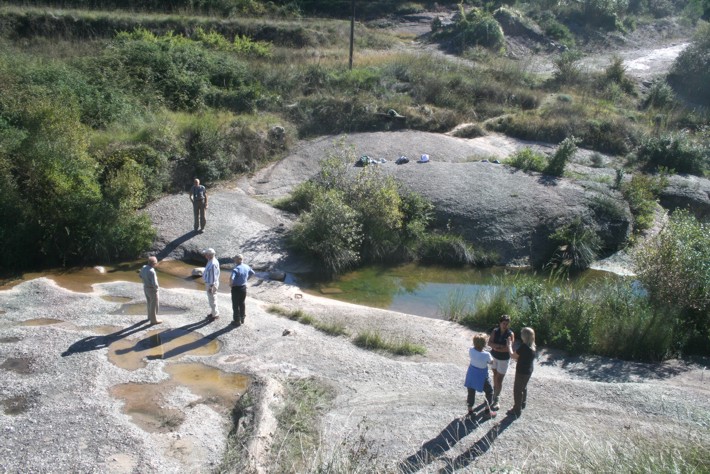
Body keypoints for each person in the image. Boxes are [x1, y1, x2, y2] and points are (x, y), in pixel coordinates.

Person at [464, 333, 496, 418]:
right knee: (489, 392)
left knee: (471, 392)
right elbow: (491, 362)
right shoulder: (486, 354)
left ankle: (470, 411)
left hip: (471, 373)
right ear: (484, 344)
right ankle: (487, 411)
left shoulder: (471, 350)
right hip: (482, 375)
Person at [508, 327, 536, 417]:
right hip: (529, 370)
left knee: (517, 390)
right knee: (524, 387)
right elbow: (524, 357)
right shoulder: (533, 346)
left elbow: (513, 356)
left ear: (524, 336)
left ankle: (517, 409)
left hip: (522, 371)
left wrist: (509, 345)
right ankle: (523, 403)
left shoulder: (524, 347)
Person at [489, 314, 514, 411]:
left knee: (499, 379)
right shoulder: (495, 331)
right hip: (494, 357)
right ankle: (494, 392)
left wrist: (496, 347)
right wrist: (499, 347)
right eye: (503, 323)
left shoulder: (510, 334)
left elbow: (509, 348)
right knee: (495, 375)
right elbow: (489, 343)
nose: (505, 325)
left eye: (507, 324)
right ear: (500, 323)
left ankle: (496, 399)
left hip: (504, 359)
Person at [229, 254, 255, 326]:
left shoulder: (236, 269)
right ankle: (242, 318)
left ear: (239, 259)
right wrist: (246, 279)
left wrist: (231, 284)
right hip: (243, 288)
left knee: (235, 304)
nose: (234, 260)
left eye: (235, 259)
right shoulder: (246, 266)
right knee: (242, 303)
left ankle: (237, 321)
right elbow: (253, 273)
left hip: (236, 288)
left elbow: (232, 278)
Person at [138, 256, 162, 325]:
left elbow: (140, 275)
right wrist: (157, 289)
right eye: (156, 263)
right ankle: (153, 320)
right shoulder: (152, 271)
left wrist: (145, 279)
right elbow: (155, 284)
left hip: (145, 288)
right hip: (152, 290)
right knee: (153, 305)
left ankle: (149, 317)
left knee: (149, 303)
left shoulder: (143, 267)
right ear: (154, 263)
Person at [202, 248, 220, 319]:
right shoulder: (211, 260)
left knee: (212, 300)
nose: (205, 255)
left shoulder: (212, 264)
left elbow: (213, 277)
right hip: (210, 283)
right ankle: (213, 312)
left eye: (206, 254)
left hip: (211, 284)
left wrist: (211, 287)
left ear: (209, 255)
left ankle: (215, 315)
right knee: (212, 299)